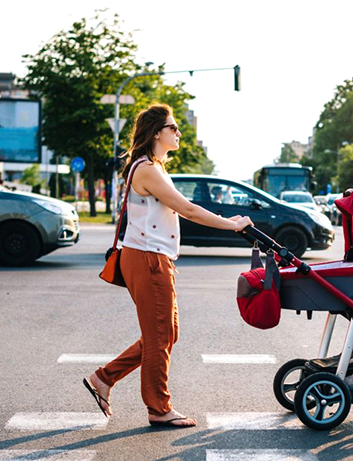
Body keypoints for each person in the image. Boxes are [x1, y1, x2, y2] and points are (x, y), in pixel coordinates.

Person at [83, 103, 252, 428]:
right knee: (160, 334)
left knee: (165, 332)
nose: (178, 132)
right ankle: (159, 408)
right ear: (157, 133)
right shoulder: (147, 169)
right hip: (147, 259)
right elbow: (187, 210)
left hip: (151, 257)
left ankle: (104, 378)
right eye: (173, 127)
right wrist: (231, 225)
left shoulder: (152, 167)